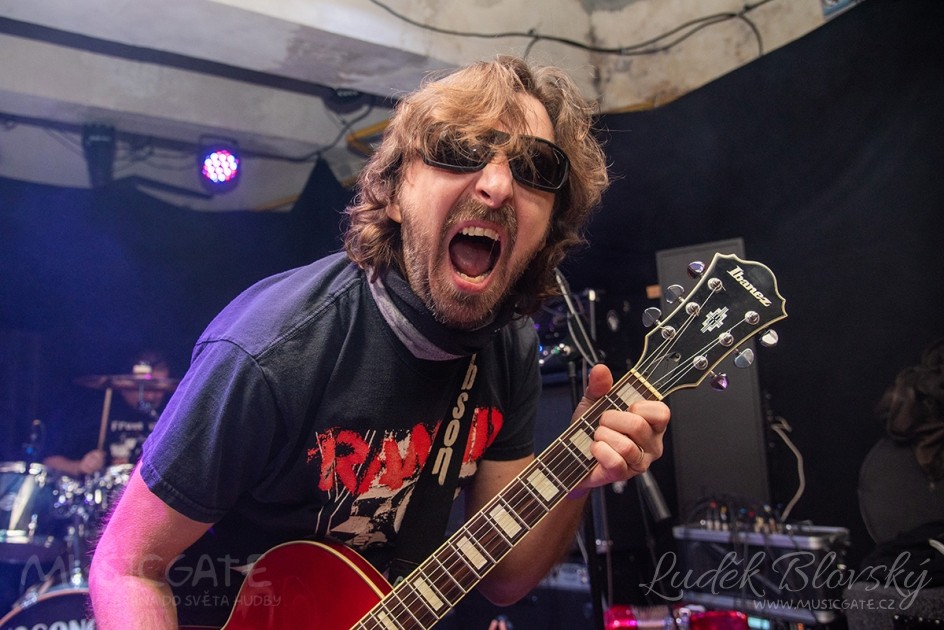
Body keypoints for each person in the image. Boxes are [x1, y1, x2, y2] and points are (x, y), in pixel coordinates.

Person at [88, 55, 671, 628]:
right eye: (459, 150)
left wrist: (574, 479)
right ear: (393, 193)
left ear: (550, 222)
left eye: (535, 167)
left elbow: (505, 579)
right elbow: (126, 568)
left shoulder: (508, 345)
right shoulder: (270, 352)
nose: (497, 185)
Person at [42, 351, 173, 478]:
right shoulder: (91, 411)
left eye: (158, 389)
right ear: (123, 383)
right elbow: (49, 461)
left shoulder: (171, 412)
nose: (151, 396)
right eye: (144, 388)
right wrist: (80, 466)